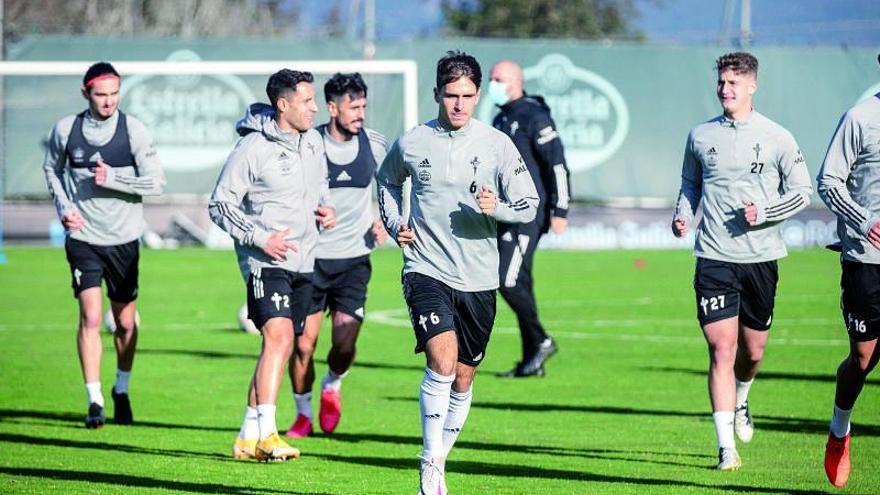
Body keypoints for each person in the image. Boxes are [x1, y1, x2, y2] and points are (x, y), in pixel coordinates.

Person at [377, 50, 539, 495]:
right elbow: (387, 181)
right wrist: (396, 224)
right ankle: (431, 464)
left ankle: (440, 455)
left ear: (478, 95)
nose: (459, 105)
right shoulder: (412, 142)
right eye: (451, 95)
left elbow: (529, 204)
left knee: (464, 379)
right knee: (442, 362)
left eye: (468, 96)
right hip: (426, 268)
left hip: (480, 278)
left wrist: (497, 207)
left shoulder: (496, 144)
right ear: (437, 94)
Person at [671, 52, 812, 471]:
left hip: (761, 259)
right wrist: (682, 213)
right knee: (722, 350)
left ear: (752, 86)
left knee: (752, 352)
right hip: (713, 257)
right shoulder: (700, 135)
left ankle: (743, 398)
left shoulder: (777, 137)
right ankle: (725, 448)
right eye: (721, 82)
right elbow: (689, 184)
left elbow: (803, 190)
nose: (725, 90)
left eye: (734, 83)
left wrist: (765, 213)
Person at [209, 69, 335, 462]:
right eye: (307, 101)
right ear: (283, 105)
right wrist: (260, 238)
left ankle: (247, 437)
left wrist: (325, 208)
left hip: (304, 260)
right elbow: (219, 205)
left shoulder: (313, 141)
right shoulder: (252, 148)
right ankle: (268, 433)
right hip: (264, 261)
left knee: (278, 347)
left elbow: (320, 185)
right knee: (278, 339)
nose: (315, 107)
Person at [42, 62, 165, 429]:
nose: (108, 101)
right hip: (83, 238)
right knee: (92, 317)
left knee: (125, 323)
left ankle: (121, 389)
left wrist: (113, 178)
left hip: (124, 239)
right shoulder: (66, 130)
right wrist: (65, 208)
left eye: (114, 94)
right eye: (101, 94)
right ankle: (94, 400)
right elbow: (52, 170)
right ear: (86, 93)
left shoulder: (134, 132)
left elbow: (156, 183)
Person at [284, 73, 389, 438]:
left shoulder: (375, 145)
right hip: (309, 261)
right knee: (302, 346)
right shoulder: (307, 144)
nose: (360, 113)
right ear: (331, 108)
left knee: (344, 344)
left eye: (363, 106)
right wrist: (314, 210)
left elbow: (395, 186)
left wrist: (386, 221)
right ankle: (302, 415)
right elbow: (289, 191)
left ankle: (333, 384)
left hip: (354, 260)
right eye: (353, 107)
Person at [817, 54, 880, 489]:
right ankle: (840, 428)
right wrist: (865, 221)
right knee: (862, 358)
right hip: (866, 258)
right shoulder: (861, 118)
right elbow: (828, 181)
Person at [488, 60, 571, 378]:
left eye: (499, 78)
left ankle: (542, 339)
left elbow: (557, 165)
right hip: (502, 212)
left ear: (517, 82)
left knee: (505, 280)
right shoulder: (500, 118)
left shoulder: (534, 116)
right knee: (520, 281)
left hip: (528, 214)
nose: (493, 83)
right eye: (492, 78)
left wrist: (560, 210)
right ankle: (530, 360)